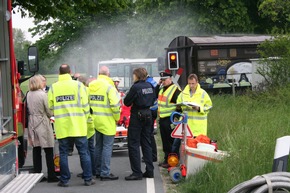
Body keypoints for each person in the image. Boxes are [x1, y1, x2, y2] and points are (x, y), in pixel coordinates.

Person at [48, 64, 95, 187]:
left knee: (63, 153)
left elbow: (50, 106)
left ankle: (64, 180)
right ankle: (88, 179)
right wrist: (87, 119)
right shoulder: (79, 86)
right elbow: (86, 105)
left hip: (62, 127)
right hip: (78, 125)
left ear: (59, 73)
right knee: (84, 152)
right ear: (70, 72)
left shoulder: (53, 87)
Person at [89, 66, 120, 181]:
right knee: (107, 147)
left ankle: (97, 170)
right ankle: (105, 172)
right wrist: (117, 117)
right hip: (107, 121)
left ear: (99, 73)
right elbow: (115, 105)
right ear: (108, 74)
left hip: (95, 120)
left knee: (98, 146)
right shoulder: (110, 87)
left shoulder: (91, 85)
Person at [124, 68, 155, 180]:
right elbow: (153, 99)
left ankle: (137, 172)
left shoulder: (135, 87)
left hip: (137, 115)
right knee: (146, 142)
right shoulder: (150, 86)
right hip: (148, 114)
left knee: (133, 144)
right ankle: (150, 170)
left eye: (133, 75)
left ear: (137, 76)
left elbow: (126, 102)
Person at [26, 74, 59, 183]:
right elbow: (48, 111)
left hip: (32, 122)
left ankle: (37, 173)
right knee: (48, 148)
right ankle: (51, 174)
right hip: (42, 121)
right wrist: (51, 114)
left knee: (36, 149)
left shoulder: (28, 94)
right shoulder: (43, 94)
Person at [173, 73, 213, 154]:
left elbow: (209, 106)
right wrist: (179, 107)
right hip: (185, 124)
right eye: (189, 83)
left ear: (197, 82)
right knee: (177, 145)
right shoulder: (183, 93)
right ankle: (176, 161)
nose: (191, 85)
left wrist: (199, 108)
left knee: (196, 148)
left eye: (193, 83)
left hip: (198, 127)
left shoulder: (203, 93)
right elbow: (178, 103)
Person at [156, 71, 181, 168]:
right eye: (161, 80)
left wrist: (176, 119)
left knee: (171, 142)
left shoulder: (175, 90)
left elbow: (179, 106)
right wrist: (158, 84)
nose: (163, 81)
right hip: (162, 119)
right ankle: (167, 159)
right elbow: (155, 95)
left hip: (170, 119)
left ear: (170, 79)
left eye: (164, 80)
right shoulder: (162, 89)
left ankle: (172, 161)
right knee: (165, 141)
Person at [75, 75, 96, 178]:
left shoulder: (81, 90)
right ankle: (93, 170)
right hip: (90, 121)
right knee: (90, 148)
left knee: (84, 150)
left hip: (83, 122)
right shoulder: (89, 90)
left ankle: (86, 171)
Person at [145, 75, 158, 162]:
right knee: (150, 133)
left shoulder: (147, 84)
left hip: (150, 110)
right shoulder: (153, 82)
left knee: (148, 134)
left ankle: (152, 156)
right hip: (154, 109)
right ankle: (152, 155)